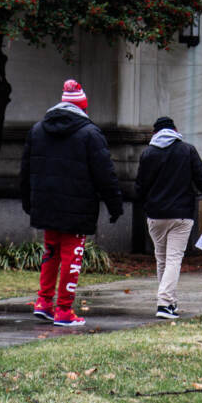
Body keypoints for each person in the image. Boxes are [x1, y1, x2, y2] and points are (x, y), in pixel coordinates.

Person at [20, 79, 123, 327]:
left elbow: (25, 169)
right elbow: (105, 173)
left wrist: (28, 201)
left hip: (45, 203)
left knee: (51, 252)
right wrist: (115, 204)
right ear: (83, 107)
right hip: (77, 207)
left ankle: (44, 302)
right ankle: (64, 310)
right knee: (71, 256)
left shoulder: (37, 130)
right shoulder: (90, 134)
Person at [135, 116, 202, 320]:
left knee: (162, 259)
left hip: (155, 216)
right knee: (173, 259)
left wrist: (146, 206)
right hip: (181, 214)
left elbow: (140, 187)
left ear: (154, 133)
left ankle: (169, 302)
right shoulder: (187, 150)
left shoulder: (147, 153)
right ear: (175, 130)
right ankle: (165, 303)